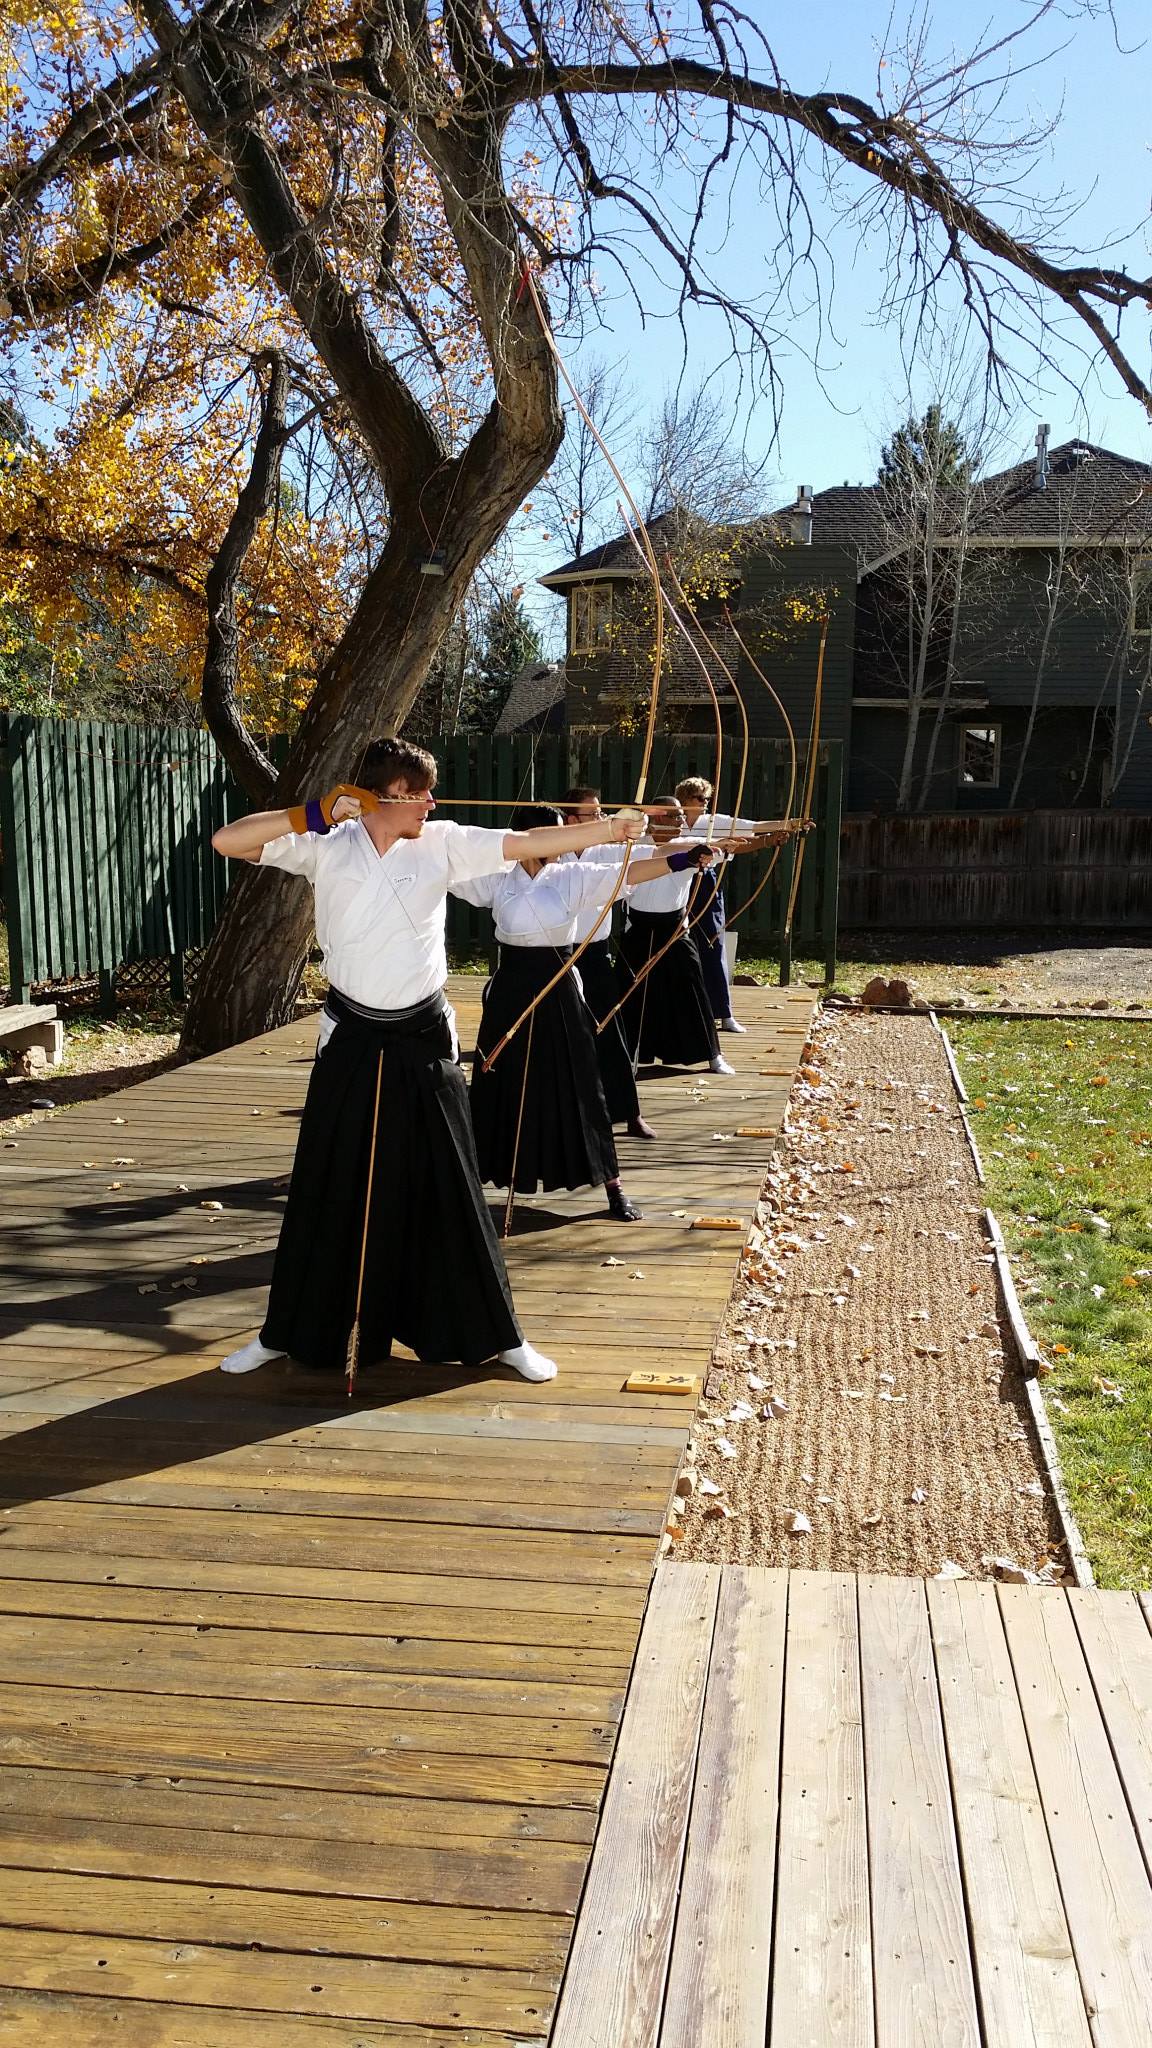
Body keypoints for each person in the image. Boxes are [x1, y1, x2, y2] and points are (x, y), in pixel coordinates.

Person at [208, 738, 648, 1386]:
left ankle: (502, 1337)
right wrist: (313, 811)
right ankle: (285, 1332)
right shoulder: (329, 843)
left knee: (452, 1186)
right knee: (328, 1184)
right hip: (351, 1035)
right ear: (389, 792)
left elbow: (523, 846)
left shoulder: (440, 841)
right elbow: (230, 841)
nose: (432, 802)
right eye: (421, 792)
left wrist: (612, 829)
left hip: (421, 1035)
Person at [456, 804, 716, 1217]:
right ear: (524, 838)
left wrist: (682, 859)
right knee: (499, 1078)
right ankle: (469, 1182)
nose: (561, 846)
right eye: (551, 836)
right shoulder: (497, 878)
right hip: (510, 991)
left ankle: (613, 1186)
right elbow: (445, 870)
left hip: (558, 987)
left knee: (580, 1081)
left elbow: (628, 874)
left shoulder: (572, 877)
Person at [616, 794, 738, 1075]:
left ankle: (713, 1055)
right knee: (631, 994)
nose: (683, 821)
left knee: (693, 990)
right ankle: (628, 1056)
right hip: (639, 929)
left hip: (674, 930)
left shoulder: (691, 848)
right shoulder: (634, 847)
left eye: (683, 816)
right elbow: (663, 852)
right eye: (676, 816)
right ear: (657, 818)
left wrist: (720, 848)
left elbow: (711, 852)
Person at [558, 786, 654, 1141]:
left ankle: (629, 1112)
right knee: (558, 1038)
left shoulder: (609, 850)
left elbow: (649, 854)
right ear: (571, 820)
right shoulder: (549, 852)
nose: (601, 819)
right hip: (556, 957)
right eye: (593, 815)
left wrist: (696, 851)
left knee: (610, 1033)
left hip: (595, 956)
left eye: (601, 814)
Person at [674, 776, 789, 1034]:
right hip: (673, 884)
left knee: (712, 945)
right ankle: (686, 1013)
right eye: (700, 799)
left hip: (705, 885)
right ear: (685, 800)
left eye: (707, 799)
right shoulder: (672, 821)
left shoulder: (715, 822)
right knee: (677, 950)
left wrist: (787, 826)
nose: (705, 804)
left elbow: (753, 829)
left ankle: (724, 1014)